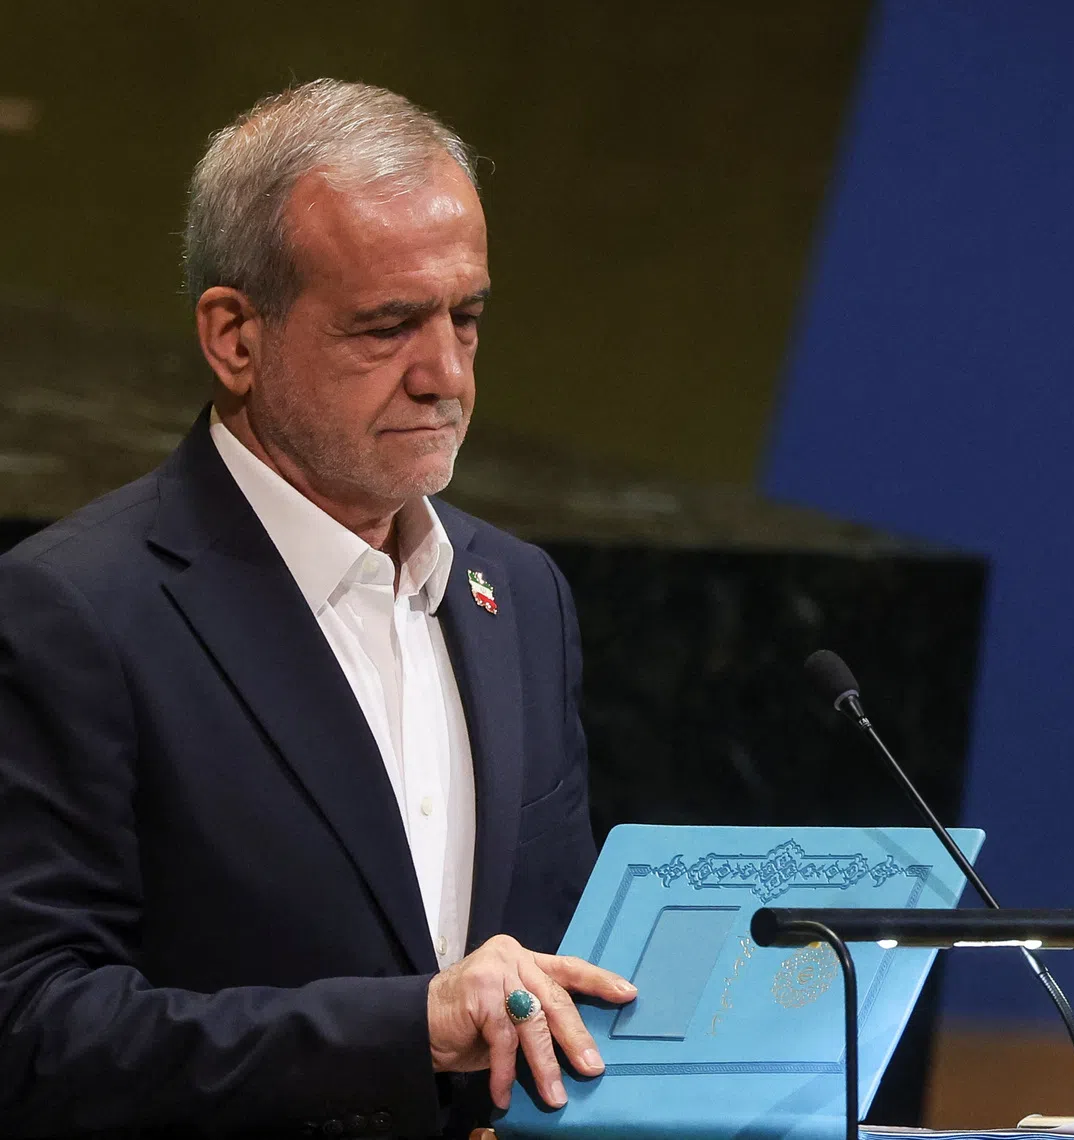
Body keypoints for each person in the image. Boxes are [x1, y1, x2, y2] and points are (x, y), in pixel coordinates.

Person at [0, 79, 635, 1139]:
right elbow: (32, 1027)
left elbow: (544, 960)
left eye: (466, 318)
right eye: (387, 327)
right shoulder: (73, 613)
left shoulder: (518, 594)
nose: (445, 375)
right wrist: (410, 1031)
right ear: (235, 338)